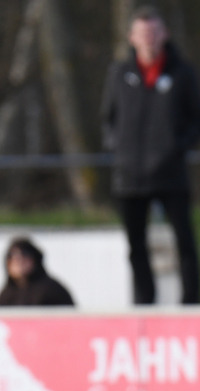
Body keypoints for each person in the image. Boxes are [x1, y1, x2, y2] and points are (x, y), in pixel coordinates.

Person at [100, 5, 200, 305]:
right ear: (132, 37)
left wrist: (177, 146)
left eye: (154, 32)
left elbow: (196, 119)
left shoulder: (182, 73)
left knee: (184, 240)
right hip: (130, 176)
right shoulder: (119, 74)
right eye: (143, 33)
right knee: (136, 246)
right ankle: (145, 303)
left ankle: (191, 301)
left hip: (171, 174)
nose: (149, 39)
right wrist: (119, 149)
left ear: (165, 34)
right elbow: (108, 119)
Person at [0, 237, 75, 307]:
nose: (18, 260)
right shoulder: (6, 294)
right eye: (12, 256)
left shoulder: (51, 290)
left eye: (24, 254)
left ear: (35, 259)